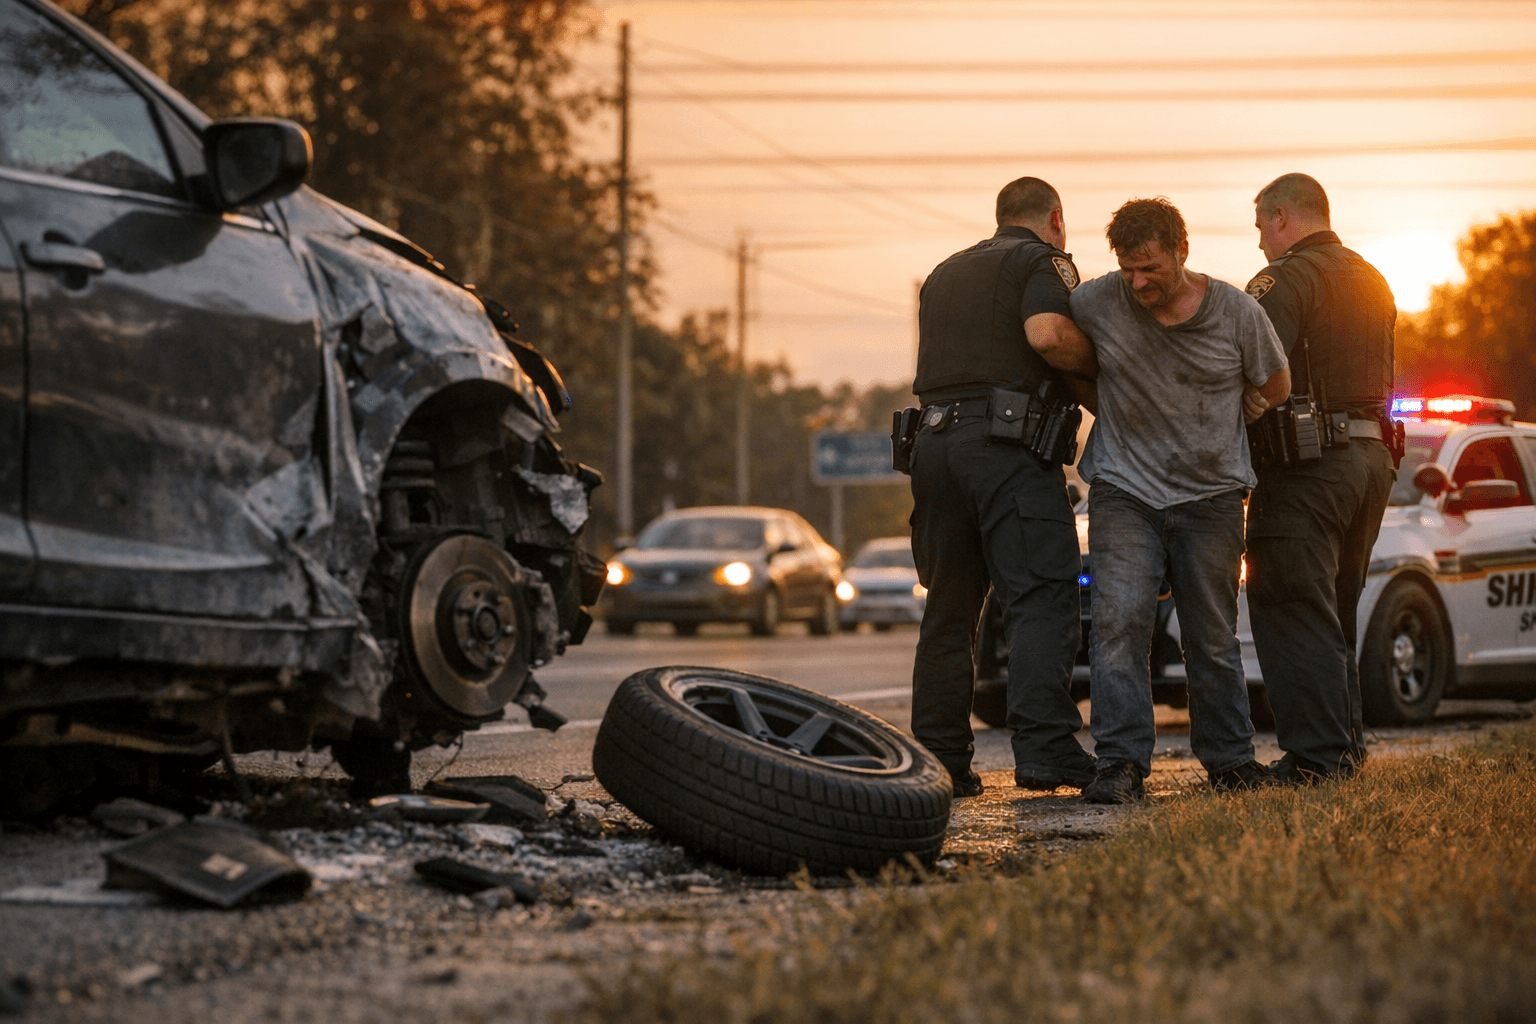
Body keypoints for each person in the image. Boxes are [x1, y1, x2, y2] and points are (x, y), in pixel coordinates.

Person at [1069, 197, 1290, 804]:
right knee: (1117, 626)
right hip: (1123, 491)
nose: (1137, 282)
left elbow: (1276, 382)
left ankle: (1230, 762)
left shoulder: (1237, 312)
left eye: (1150, 268)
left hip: (1213, 496)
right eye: (1127, 268)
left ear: (1180, 251)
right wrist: (1101, 397)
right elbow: (1057, 342)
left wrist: (1239, 410)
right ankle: (1119, 764)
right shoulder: (1096, 300)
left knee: (1212, 635)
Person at [909, 176, 1099, 798]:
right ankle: (1045, 750)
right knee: (1041, 597)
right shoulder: (1042, 260)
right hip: (1005, 451)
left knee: (949, 612)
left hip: (932, 451)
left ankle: (940, 760)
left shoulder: (943, 271)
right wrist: (1102, 365)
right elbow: (1046, 335)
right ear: (1057, 220)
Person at [1242, 173, 1397, 784]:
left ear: (1283, 217)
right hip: (1370, 460)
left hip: (1309, 465)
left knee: (1287, 598)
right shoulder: (1371, 276)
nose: (1259, 243)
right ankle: (1344, 746)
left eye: (1260, 227)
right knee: (1335, 606)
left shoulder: (1286, 280)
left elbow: (1250, 367)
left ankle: (1315, 758)